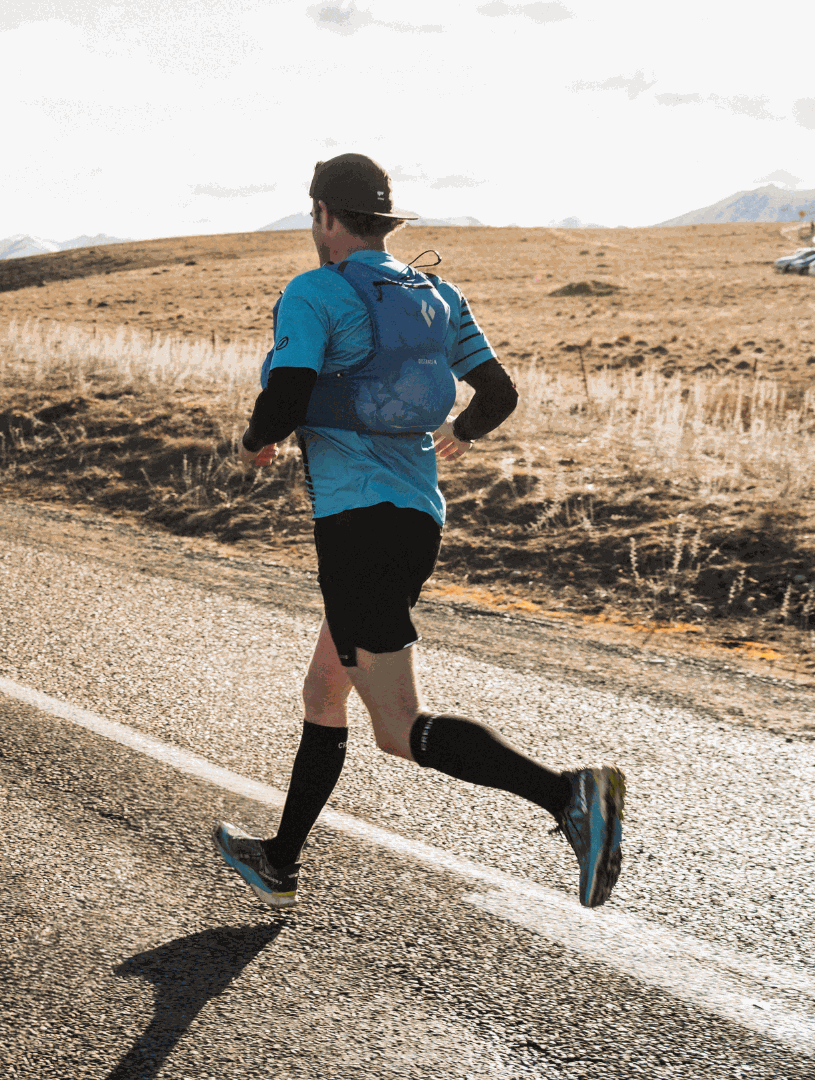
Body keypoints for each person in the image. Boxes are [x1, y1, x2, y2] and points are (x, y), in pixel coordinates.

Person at [213, 153, 625, 911]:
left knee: (397, 728)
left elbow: (289, 390)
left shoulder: (314, 292)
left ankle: (569, 794)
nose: (315, 229)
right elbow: (497, 392)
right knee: (323, 690)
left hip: (354, 527)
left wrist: (253, 443)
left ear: (326, 218)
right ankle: (280, 857)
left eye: (315, 217)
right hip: (415, 521)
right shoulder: (438, 292)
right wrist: (461, 433)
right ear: (384, 220)